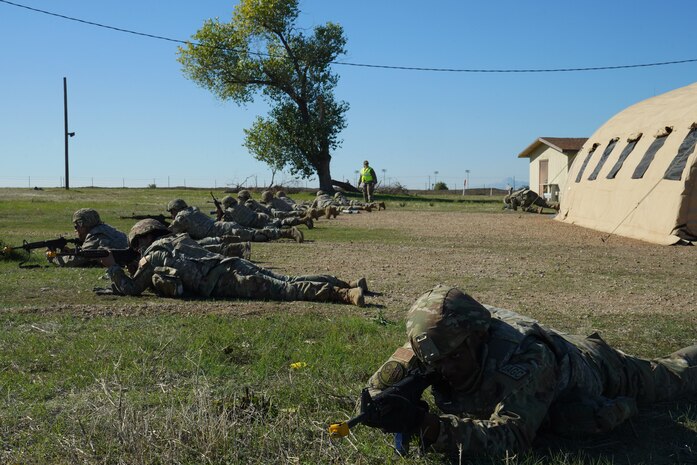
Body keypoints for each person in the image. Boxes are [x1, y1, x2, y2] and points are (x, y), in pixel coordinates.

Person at [363, 285, 697, 460]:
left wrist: (428, 427)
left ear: (478, 338)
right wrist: (393, 399)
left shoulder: (525, 360)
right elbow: (375, 393)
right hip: (556, 347)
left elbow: (511, 439)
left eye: (453, 359)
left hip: (598, 366)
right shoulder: (437, 343)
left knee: (670, 375)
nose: (443, 369)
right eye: (433, 361)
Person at [100, 219, 368, 306]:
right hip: (231, 263)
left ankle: (343, 294)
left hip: (224, 280)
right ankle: (347, 282)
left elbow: (133, 289)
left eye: (137, 243)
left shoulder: (153, 254)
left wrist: (113, 266)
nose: (137, 249)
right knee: (287, 280)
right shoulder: (178, 239)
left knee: (284, 291)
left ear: (145, 238)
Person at [166, 199, 303, 243]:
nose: (172, 215)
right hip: (224, 227)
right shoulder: (193, 210)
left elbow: (170, 232)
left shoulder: (182, 217)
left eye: (171, 212)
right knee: (256, 232)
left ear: (175, 209)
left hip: (223, 230)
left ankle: (287, 233)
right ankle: (287, 232)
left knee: (256, 235)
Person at [49, 208, 129, 267]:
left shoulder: (94, 236)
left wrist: (53, 257)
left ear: (82, 224)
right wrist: (71, 251)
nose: (75, 230)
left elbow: (74, 261)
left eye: (76, 227)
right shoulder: (108, 229)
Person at [221, 195, 313, 230]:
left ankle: (301, 220)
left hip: (257, 223)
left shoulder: (230, 211)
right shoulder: (241, 205)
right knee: (280, 222)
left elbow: (225, 224)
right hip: (261, 216)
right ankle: (302, 220)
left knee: (279, 225)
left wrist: (221, 216)